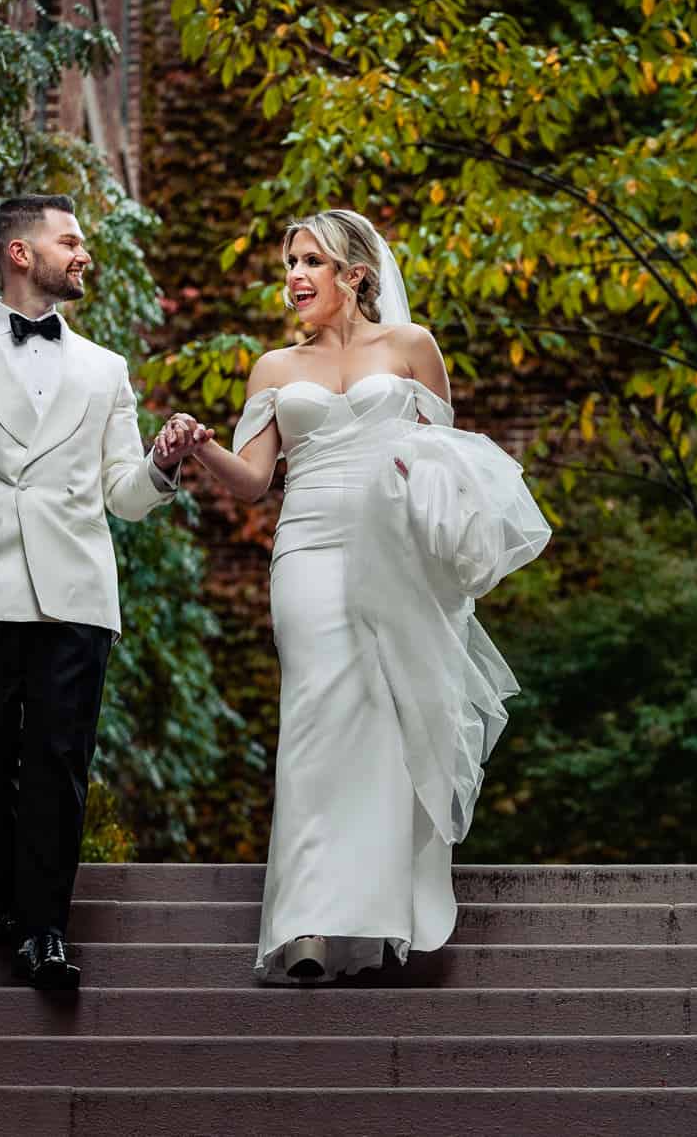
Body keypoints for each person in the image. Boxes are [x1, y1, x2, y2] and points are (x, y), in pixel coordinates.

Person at [158, 209, 547, 983]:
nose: (293, 276)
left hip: (394, 550)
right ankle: (303, 924)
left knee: (382, 717)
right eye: (289, 262)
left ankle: (375, 915)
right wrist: (200, 446)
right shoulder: (273, 367)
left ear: (355, 275)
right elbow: (253, 482)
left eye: (309, 261)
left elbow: (454, 462)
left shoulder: (411, 350)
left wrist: (415, 476)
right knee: (312, 715)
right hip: (307, 547)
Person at [0, 193, 207, 992]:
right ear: (21, 253)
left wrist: (162, 463)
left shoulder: (106, 371)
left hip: (76, 593)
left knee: (59, 759)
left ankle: (46, 932)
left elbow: (122, 492)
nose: (83, 253)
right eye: (70, 240)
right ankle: (13, 902)